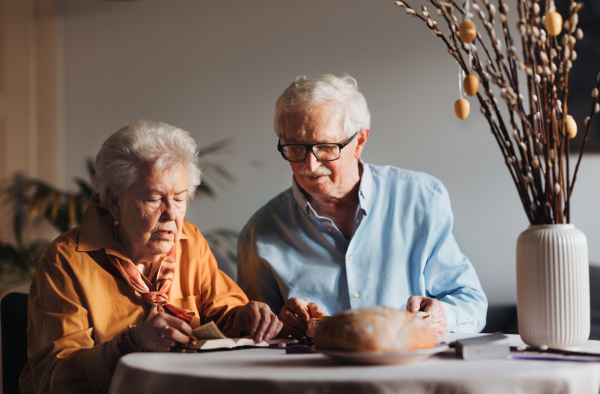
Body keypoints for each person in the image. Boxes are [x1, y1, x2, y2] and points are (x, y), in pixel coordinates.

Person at [20, 120, 282, 394]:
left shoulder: (190, 241)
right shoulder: (65, 261)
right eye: (155, 198)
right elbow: (50, 378)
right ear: (114, 201)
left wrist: (247, 316)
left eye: (179, 199)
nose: (171, 214)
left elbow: (225, 312)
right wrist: (125, 344)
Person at [237, 74, 487, 339]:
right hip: (312, 376)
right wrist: (278, 326)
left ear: (359, 142)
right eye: (296, 148)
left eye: (325, 147)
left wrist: (443, 316)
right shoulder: (259, 232)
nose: (310, 165)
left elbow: (470, 302)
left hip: (409, 371)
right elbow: (251, 332)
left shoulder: (421, 199)